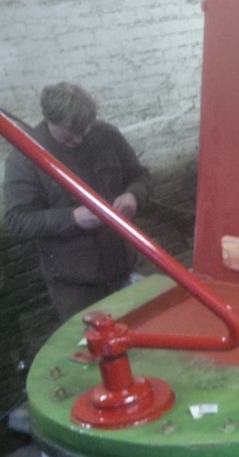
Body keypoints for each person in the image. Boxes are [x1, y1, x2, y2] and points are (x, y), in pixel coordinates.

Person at [3, 83, 152, 322]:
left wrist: (134, 195)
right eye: (69, 135)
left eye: (85, 130)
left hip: (126, 268)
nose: (79, 139)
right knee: (92, 352)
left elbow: (141, 176)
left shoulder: (108, 137)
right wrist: (72, 218)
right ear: (49, 120)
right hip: (76, 288)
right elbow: (17, 220)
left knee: (145, 334)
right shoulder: (25, 158)